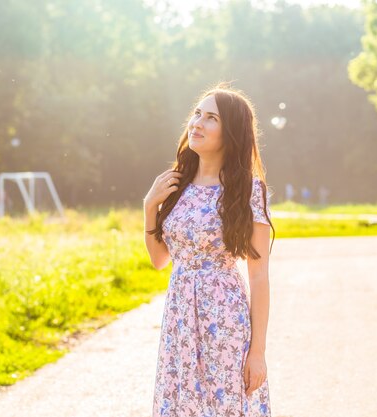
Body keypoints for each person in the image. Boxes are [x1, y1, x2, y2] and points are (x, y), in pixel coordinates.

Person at [144, 82, 276, 416]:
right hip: (179, 317)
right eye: (197, 114)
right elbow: (160, 260)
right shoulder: (177, 184)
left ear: (230, 132)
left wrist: (257, 352)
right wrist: (149, 207)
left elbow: (259, 276)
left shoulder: (248, 191)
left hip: (224, 316)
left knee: (225, 404)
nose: (197, 123)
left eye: (211, 118)